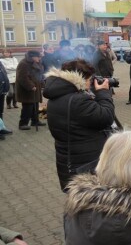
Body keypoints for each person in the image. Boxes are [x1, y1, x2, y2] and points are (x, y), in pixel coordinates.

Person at [43, 59, 115, 191]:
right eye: (89, 79)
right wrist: (103, 93)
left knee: (81, 202)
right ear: (81, 78)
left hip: (69, 159)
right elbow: (106, 117)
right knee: (93, 202)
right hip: (86, 162)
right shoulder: (78, 100)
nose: (90, 82)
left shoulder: (57, 96)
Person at [15, 50, 46, 130]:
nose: (40, 58)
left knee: (35, 105)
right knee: (27, 107)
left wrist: (42, 83)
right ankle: (23, 124)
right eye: (38, 57)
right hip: (27, 89)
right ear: (33, 57)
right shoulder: (23, 64)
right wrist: (31, 86)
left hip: (36, 87)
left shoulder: (37, 62)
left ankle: (35, 121)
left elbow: (40, 75)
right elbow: (22, 77)